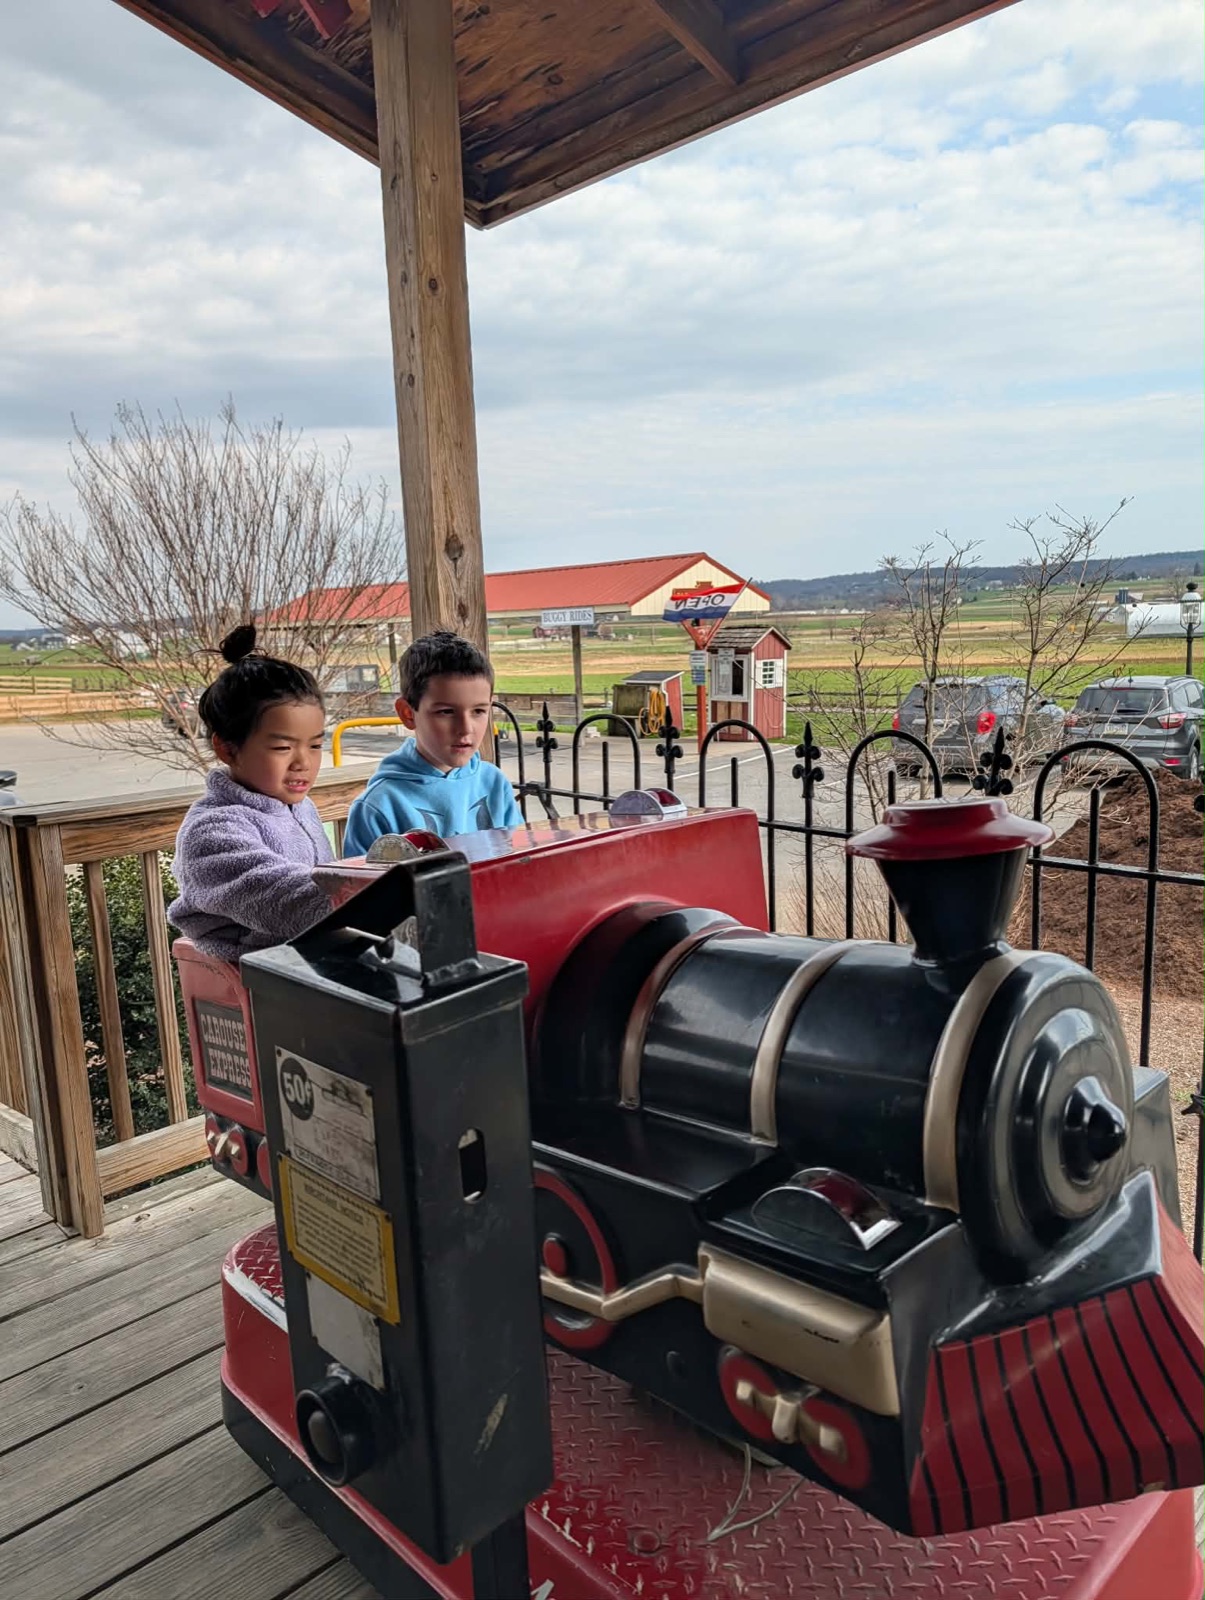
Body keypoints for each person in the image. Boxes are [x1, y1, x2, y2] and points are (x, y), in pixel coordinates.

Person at [168, 626, 334, 961]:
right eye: (282, 747)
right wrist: (374, 898)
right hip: (253, 982)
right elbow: (280, 895)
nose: (304, 762)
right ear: (228, 749)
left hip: (307, 964)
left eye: (316, 745)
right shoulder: (211, 832)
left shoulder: (299, 807)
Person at [343, 629, 521, 857]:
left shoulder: (494, 783)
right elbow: (361, 890)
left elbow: (517, 862)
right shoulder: (378, 806)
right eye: (446, 712)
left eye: (478, 711)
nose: (466, 728)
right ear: (408, 714)